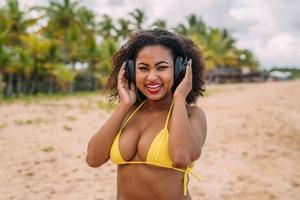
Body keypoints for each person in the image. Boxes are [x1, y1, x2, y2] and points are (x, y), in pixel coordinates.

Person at [86, 29, 207, 200]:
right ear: (131, 71)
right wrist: (124, 104)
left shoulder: (192, 115)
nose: (151, 77)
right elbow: (93, 159)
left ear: (180, 70)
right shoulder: (128, 111)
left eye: (162, 67)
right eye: (143, 68)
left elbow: (181, 157)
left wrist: (180, 98)